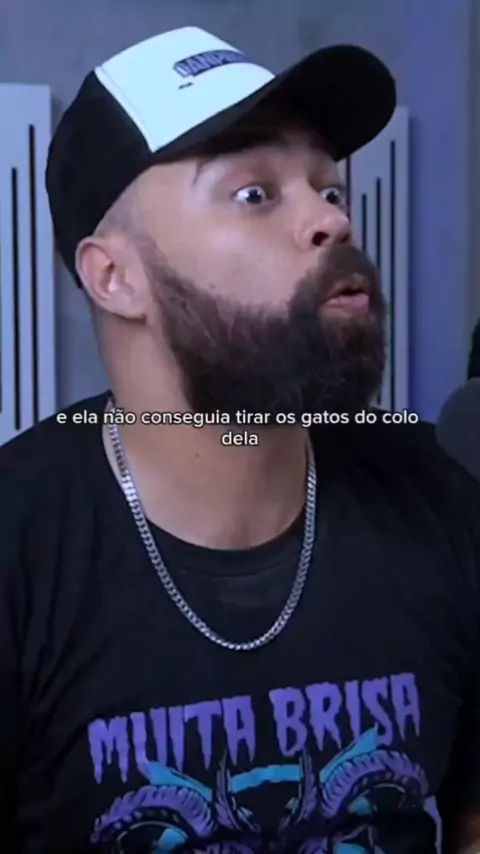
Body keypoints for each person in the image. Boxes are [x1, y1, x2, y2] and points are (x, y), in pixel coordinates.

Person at [1, 24, 480, 854]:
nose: (331, 221)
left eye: (329, 189)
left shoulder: (441, 501)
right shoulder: (21, 547)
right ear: (115, 276)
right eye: (256, 193)